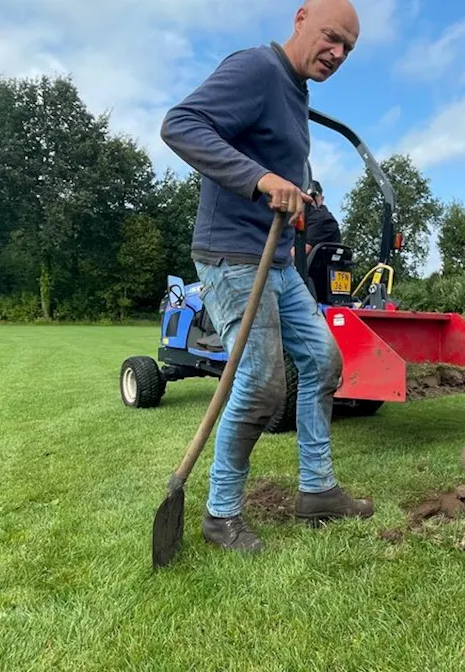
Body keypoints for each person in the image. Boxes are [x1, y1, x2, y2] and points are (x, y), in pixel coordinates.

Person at [159, 0, 371, 554]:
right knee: (260, 383)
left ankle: (317, 490)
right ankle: (220, 515)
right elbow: (180, 124)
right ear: (301, 18)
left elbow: (274, 164)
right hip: (232, 257)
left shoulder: (296, 93)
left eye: (349, 48)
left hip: (276, 260)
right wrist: (259, 179)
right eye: (331, 37)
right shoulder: (257, 68)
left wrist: (294, 196)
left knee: (324, 361)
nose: (339, 53)